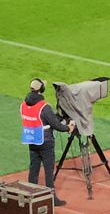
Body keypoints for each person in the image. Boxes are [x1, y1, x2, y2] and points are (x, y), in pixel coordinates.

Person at [21, 79, 73, 207]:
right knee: (49, 170)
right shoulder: (44, 106)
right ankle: (52, 198)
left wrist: (53, 118)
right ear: (41, 89)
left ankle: (30, 195)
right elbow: (55, 125)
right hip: (45, 141)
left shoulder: (23, 104)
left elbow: (37, 119)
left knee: (34, 168)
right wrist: (68, 128)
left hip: (31, 139)